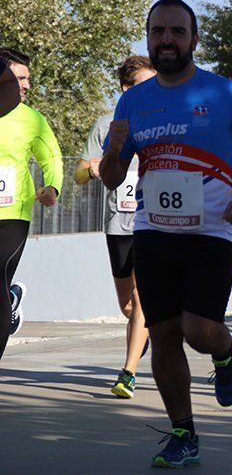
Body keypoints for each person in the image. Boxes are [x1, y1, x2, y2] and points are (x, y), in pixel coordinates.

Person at [99, 0, 232, 468]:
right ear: (148, 37)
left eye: (176, 32)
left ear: (193, 39)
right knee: (162, 337)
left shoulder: (225, 93)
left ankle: (225, 352)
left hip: (212, 232)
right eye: (158, 31)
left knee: (198, 330)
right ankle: (183, 433)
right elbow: (111, 175)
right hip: (152, 231)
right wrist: (112, 156)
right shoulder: (133, 100)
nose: (166, 39)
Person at [74, 56, 156, 398]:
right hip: (117, 225)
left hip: (150, 222)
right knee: (127, 304)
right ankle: (142, 336)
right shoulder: (106, 124)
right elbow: (78, 174)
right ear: (126, 89)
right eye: (143, 85)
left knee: (142, 299)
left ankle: (128, 373)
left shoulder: (159, 121)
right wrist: (91, 168)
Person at [0, 47, 63, 360]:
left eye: (27, 79)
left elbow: (51, 156)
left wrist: (52, 186)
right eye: (18, 78)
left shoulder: (31, 119)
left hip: (12, 213)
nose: (24, 85)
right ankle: (10, 299)